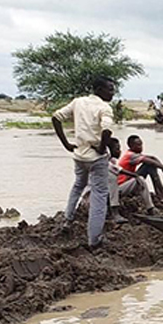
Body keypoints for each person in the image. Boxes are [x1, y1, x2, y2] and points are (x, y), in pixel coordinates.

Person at [51, 76, 115, 248]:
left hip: (79, 155)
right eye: (110, 89)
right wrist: (102, 148)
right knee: (99, 196)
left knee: (78, 185)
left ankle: (68, 219)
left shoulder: (78, 102)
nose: (113, 93)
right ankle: (94, 239)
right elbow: (107, 130)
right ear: (99, 90)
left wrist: (66, 144)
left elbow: (56, 117)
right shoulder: (104, 108)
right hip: (96, 158)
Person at [107, 137, 154, 222]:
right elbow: (119, 170)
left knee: (140, 180)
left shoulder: (113, 161)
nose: (120, 151)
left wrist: (137, 177)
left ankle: (150, 208)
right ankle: (115, 213)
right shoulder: (105, 163)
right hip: (104, 194)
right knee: (112, 178)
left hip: (115, 191)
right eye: (117, 149)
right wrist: (135, 175)